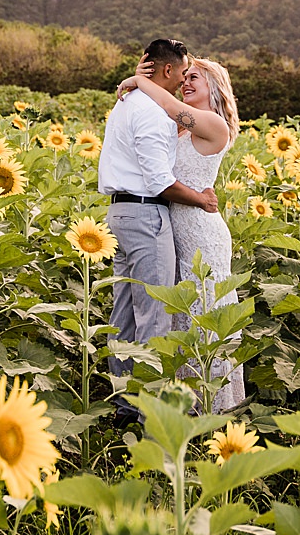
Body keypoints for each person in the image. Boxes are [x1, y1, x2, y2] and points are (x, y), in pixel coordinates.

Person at [96, 37, 218, 424]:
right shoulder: (150, 111)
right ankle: (149, 415)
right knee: (154, 315)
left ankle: (125, 406)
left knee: (125, 316)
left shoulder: (129, 102)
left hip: (121, 215)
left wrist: (135, 80)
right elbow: (159, 181)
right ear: (167, 70)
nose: (184, 81)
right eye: (183, 72)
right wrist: (200, 200)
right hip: (146, 216)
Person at [115, 53, 244, 412]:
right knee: (179, 315)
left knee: (205, 311)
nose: (185, 82)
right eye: (184, 77)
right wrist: (137, 83)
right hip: (173, 228)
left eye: (194, 79)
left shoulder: (215, 124)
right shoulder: (181, 128)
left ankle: (211, 408)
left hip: (202, 232)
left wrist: (143, 81)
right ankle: (182, 407)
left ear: (214, 88)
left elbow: (167, 103)